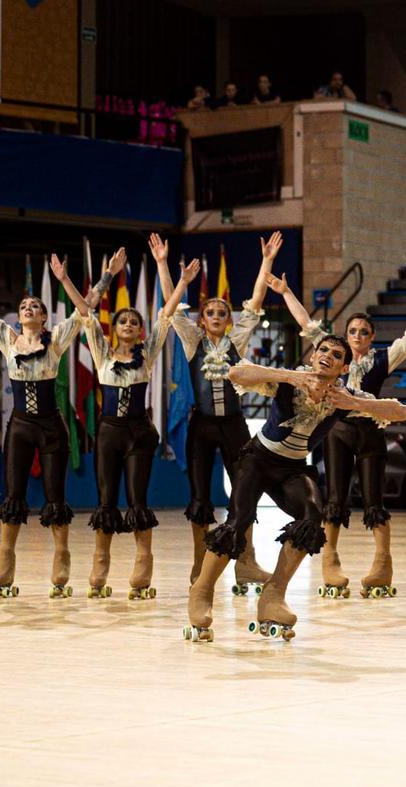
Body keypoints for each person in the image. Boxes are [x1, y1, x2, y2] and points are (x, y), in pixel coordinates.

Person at [185, 339, 406, 642]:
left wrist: (356, 404)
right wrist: (291, 377)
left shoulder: (345, 396)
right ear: (313, 356)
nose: (327, 356)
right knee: (238, 521)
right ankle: (202, 590)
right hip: (258, 460)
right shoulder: (289, 381)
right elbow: (236, 373)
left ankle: (273, 595)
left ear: (344, 367)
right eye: (323, 350)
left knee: (311, 516)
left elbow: (400, 412)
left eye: (336, 355)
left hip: (292, 468)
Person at [0, 250, 117, 599]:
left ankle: (62, 554)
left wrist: (107, 275)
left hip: (52, 426)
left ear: (44, 316)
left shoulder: (57, 339)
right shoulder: (7, 339)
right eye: (24, 305)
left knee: (55, 495)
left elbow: (86, 306)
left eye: (35, 306)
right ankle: (6, 557)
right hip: (20, 427)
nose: (28, 308)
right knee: (13, 495)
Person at [302, 293, 406, 599]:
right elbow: (306, 324)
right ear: (346, 335)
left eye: (364, 332)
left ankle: (383, 562)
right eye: (352, 331)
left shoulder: (382, 359)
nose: (357, 336)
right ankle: (330, 558)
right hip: (338, 431)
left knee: (374, 500)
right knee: (335, 497)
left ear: (372, 337)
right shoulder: (335, 357)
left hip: (371, 430)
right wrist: (285, 293)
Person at [150, 232, 276, 589]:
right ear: (202, 320)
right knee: (199, 498)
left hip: (234, 425)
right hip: (202, 427)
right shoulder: (193, 341)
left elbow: (255, 301)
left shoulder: (237, 341)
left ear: (228, 319)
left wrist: (266, 261)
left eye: (222, 312)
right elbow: (171, 308)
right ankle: (199, 563)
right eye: (210, 312)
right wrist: (163, 264)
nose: (217, 316)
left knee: (245, 489)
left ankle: (246, 561)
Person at [81, 253, 197, 600]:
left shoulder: (146, 354)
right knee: (105, 498)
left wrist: (181, 281)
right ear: (114, 328)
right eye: (123, 321)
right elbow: (85, 311)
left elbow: (166, 316)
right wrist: (105, 276)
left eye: (134, 322)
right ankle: (101, 558)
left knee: (137, 497)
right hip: (108, 433)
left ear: (140, 330)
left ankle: (144, 558)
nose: (129, 324)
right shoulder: (101, 353)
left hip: (138, 434)